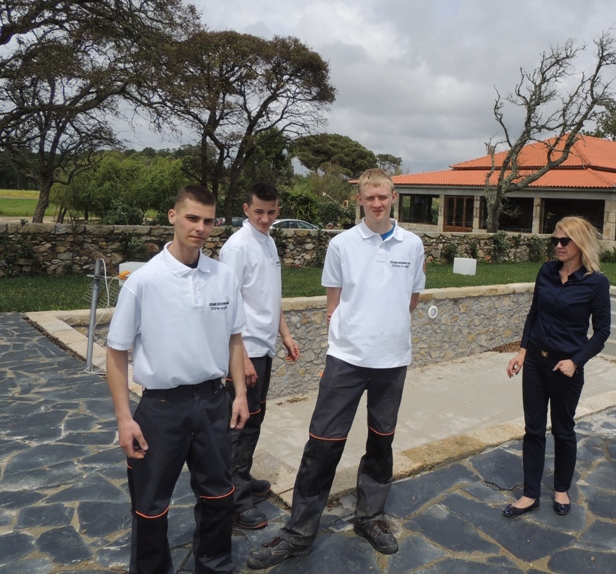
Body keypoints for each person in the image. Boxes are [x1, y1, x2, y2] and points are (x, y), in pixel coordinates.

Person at [248, 168, 426, 569]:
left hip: (392, 360)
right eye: (369, 197)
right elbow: (334, 302)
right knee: (322, 444)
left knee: (381, 441)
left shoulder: (413, 245)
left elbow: (411, 300)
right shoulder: (341, 244)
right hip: (346, 360)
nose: (377, 203)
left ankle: (370, 516)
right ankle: (299, 532)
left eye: (383, 196)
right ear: (359, 199)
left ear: (393, 197)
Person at [105, 185, 249, 574]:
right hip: (161, 408)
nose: (200, 228)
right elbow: (116, 353)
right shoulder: (144, 281)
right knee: (150, 505)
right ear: (173, 216)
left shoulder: (223, 277)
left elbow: (235, 338)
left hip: (213, 402)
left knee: (218, 495)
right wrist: (124, 418)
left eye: (208, 221)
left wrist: (238, 393)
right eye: (192, 218)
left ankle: (215, 566)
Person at [504, 217, 611, 518]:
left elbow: (602, 332)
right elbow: (534, 314)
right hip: (535, 363)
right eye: (556, 240)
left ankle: (561, 489)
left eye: (565, 241)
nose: (559, 246)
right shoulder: (546, 272)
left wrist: (576, 361)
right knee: (533, 430)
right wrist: (522, 352)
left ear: (581, 243)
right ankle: (530, 494)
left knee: (563, 430)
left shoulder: (596, 282)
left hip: (566, 368)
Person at [219, 183, 301, 530]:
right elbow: (227, 304)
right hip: (246, 351)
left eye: (271, 212)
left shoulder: (268, 241)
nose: (265, 218)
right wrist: (241, 359)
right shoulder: (237, 248)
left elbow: (270, 297)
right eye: (259, 212)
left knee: (254, 420)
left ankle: (243, 478)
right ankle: (234, 501)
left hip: (263, 348)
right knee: (239, 426)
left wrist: (285, 335)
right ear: (246, 209)